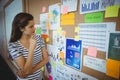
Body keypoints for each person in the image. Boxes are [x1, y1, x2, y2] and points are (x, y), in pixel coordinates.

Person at [8, 12, 48, 80]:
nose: (34, 29)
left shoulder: (39, 38)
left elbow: (46, 59)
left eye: (34, 25)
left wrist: (27, 72)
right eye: (31, 27)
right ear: (21, 28)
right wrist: (31, 48)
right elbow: (26, 70)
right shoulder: (13, 45)